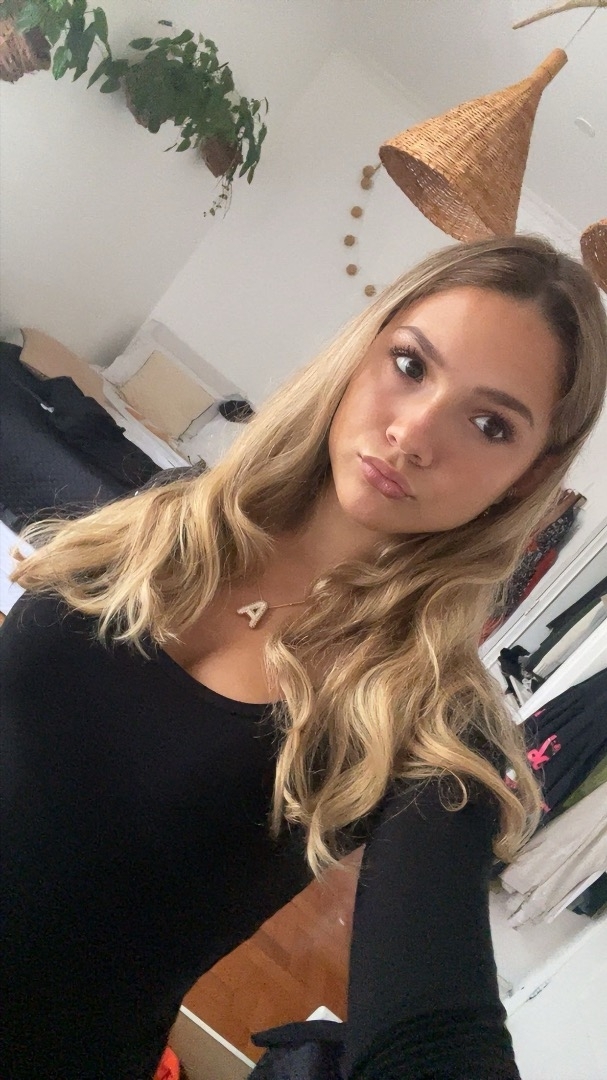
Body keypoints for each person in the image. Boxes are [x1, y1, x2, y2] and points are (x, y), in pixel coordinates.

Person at [2, 235, 606, 1080]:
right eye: (409, 365)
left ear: (526, 476)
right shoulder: (164, 522)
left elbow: (432, 1029)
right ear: (361, 354)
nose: (411, 434)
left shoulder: (432, 724)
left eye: (488, 424)